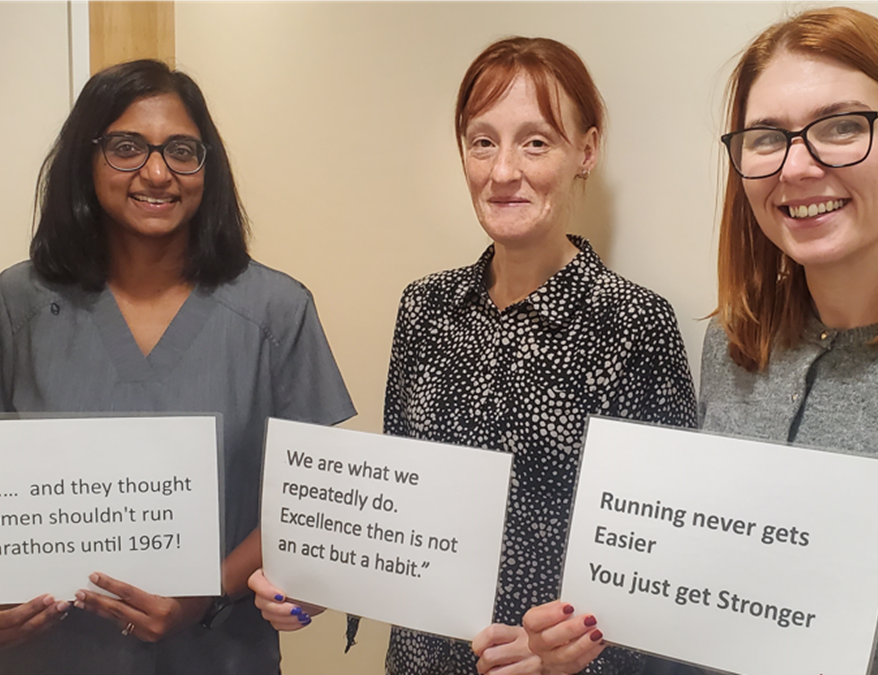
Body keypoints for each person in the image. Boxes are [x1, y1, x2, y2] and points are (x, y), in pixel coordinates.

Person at [523, 6, 878, 674]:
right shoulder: (733, 345)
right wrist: (592, 630)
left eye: (843, 126)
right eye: (766, 138)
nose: (796, 167)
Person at [250, 36, 698, 674]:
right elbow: (399, 506)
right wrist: (317, 579)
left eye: (536, 141)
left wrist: (562, 656)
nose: (502, 170)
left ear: (587, 151)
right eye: (481, 141)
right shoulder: (425, 309)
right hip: (422, 661)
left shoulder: (634, 324)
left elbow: (661, 564)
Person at [0, 59, 356, 675]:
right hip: (49, 651)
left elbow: (307, 499)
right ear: (87, 156)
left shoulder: (276, 310)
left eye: (181, 150)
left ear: (207, 167)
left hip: (214, 646)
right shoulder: (19, 303)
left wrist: (204, 593)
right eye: (127, 147)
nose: (157, 173)